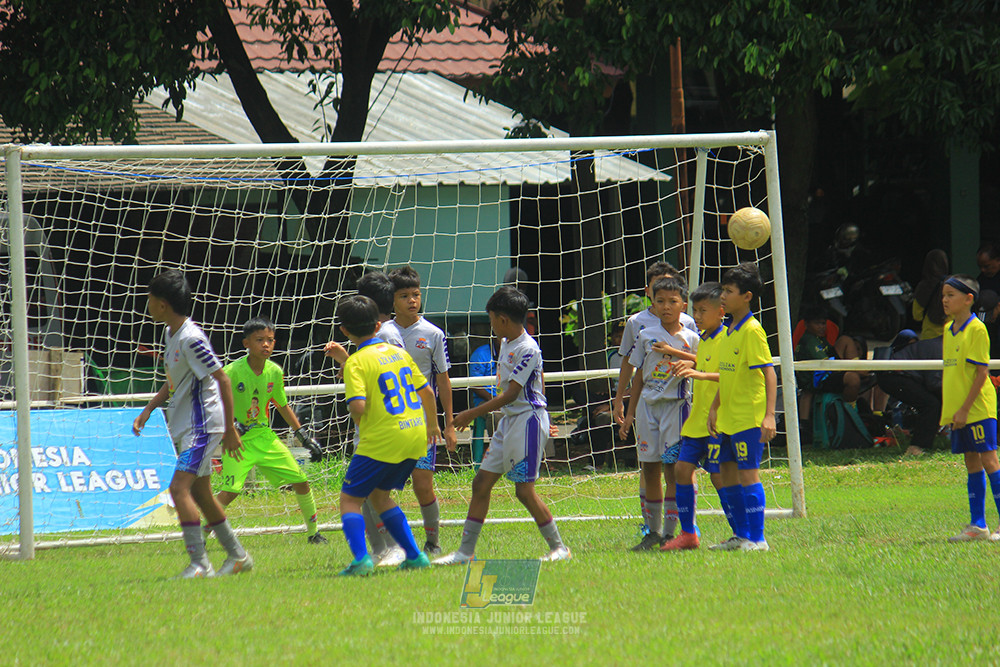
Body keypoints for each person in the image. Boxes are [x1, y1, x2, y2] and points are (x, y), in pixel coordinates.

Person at [435, 286, 571, 565]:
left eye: (492, 320)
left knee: (524, 491)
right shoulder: (507, 342)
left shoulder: (527, 348)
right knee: (481, 483)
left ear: (502, 319)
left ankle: (560, 547)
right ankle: (465, 552)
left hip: (527, 422)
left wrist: (471, 413)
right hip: (510, 421)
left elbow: (510, 394)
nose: (491, 326)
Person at [131, 269, 251, 578]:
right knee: (201, 495)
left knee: (178, 489)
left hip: (203, 426)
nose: (146, 303)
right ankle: (238, 557)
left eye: (149, 298)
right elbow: (175, 383)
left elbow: (222, 378)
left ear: (162, 304)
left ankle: (199, 563)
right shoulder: (171, 333)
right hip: (188, 425)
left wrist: (229, 429)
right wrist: (148, 409)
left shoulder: (191, 337)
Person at [334, 295, 441, 575]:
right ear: (379, 324)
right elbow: (428, 392)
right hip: (415, 435)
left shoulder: (356, 363)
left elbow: (357, 405)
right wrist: (433, 425)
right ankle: (415, 556)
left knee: (349, 499)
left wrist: (361, 417)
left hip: (382, 439)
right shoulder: (399, 352)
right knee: (380, 496)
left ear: (344, 330)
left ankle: (360, 561)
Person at [217, 317, 327, 544]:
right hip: (238, 441)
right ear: (246, 343)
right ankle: (200, 536)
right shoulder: (231, 372)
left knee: (301, 480)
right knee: (231, 491)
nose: (265, 345)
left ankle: (313, 533)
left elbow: (282, 404)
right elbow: (213, 403)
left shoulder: (274, 371)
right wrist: (229, 428)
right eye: (259, 340)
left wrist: (302, 436)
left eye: (269, 340)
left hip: (265, 437)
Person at [325, 270, 407, 565]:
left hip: (380, 426)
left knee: (366, 493)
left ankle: (393, 548)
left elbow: (384, 381)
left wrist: (348, 362)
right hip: (382, 425)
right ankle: (382, 549)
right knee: (370, 493)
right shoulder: (382, 334)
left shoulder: (385, 335)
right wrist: (346, 360)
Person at [611, 261, 698, 536]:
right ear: (649, 294)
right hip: (649, 408)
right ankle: (652, 530)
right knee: (649, 468)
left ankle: (677, 529)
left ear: (683, 304)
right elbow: (634, 370)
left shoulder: (691, 334)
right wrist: (625, 406)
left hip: (677, 406)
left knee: (675, 469)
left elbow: (705, 364)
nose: (666, 305)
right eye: (660, 299)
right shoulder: (642, 330)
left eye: (673, 300)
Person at [387, 266, 458, 556]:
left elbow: (442, 378)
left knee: (422, 484)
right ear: (391, 300)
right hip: (389, 421)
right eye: (404, 296)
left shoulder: (432, 333)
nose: (412, 300)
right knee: (383, 487)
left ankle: (432, 540)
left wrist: (448, 422)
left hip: (421, 422)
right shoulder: (383, 332)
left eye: (415, 294)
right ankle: (390, 543)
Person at [707, 262, 777, 552]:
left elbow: (769, 372)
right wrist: (714, 407)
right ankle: (740, 534)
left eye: (729, 291)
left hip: (749, 416)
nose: (723, 296)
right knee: (726, 472)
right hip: (727, 417)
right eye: (722, 290)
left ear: (747, 296)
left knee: (749, 474)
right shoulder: (728, 330)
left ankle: (758, 539)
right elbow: (727, 374)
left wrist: (770, 415)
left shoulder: (752, 330)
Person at [660, 282, 727, 550]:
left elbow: (731, 376)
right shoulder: (705, 339)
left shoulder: (727, 339)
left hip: (718, 420)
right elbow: (707, 362)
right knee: (681, 469)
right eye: (695, 310)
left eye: (702, 310)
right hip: (697, 419)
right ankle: (688, 534)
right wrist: (693, 362)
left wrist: (698, 372)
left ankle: (741, 532)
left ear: (721, 311)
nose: (697, 316)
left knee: (719, 476)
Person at [938, 275, 1000, 542]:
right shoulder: (948, 328)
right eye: (943, 295)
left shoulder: (977, 329)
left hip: (977, 408)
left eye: (951, 294)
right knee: (971, 462)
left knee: (989, 460)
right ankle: (978, 525)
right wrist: (951, 410)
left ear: (968, 299)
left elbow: (981, 374)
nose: (945, 300)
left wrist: (964, 409)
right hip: (959, 411)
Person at [876, 330, 942, 456]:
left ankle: (925, 441)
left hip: (898, 375)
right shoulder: (940, 347)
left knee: (933, 403)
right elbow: (934, 382)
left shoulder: (939, 345)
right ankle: (916, 448)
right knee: (931, 404)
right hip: (894, 375)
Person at [912, 249, 949, 340]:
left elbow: (917, 315)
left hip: (929, 337)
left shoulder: (923, 286)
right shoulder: (953, 285)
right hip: (950, 337)